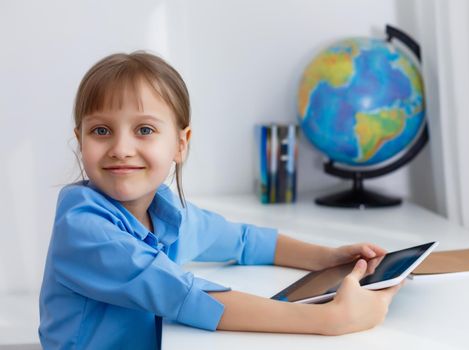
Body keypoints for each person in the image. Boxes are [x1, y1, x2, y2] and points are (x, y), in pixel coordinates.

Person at [38, 51, 402, 350]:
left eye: (144, 130)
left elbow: (243, 240)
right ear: (80, 138)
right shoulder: (83, 227)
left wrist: (327, 257)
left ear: (180, 144)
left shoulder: (166, 211)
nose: (120, 149)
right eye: (101, 131)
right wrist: (331, 320)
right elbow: (183, 296)